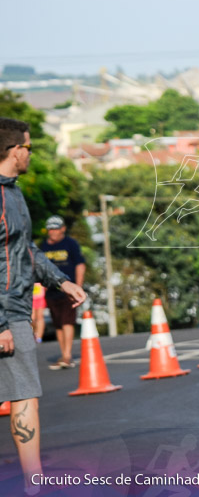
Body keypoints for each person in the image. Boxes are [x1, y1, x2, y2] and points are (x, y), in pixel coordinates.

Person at [0, 117, 88, 495]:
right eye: (29, 147)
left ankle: (34, 483)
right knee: (22, 395)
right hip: (6, 311)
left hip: (16, 308)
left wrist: (62, 281)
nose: (31, 154)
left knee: (23, 394)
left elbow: (26, 251)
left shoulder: (14, 193)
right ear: (14, 150)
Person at [37, 215, 86, 369]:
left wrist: (77, 286)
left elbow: (80, 265)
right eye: (50, 229)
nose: (53, 232)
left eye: (56, 229)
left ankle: (67, 355)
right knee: (58, 323)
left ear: (63, 229)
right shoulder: (42, 246)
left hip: (69, 289)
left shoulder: (70, 244)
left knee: (67, 321)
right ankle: (63, 353)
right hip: (51, 291)